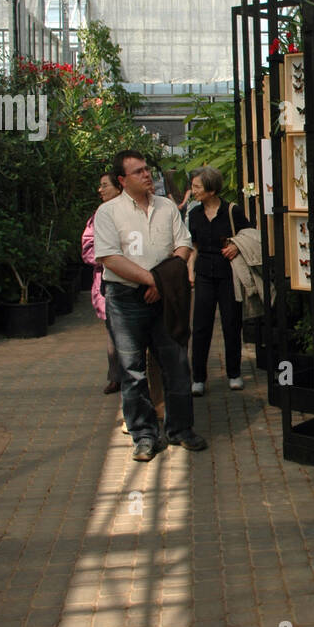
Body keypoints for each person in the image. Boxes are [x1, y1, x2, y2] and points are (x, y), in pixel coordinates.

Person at [94, 150, 208, 462]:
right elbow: (109, 258)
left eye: (147, 169)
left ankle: (180, 429)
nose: (147, 175)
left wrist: (160, 282)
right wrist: (153, 281)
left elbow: (183, 244)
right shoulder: (109, 213)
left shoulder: (166, 206)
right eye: (138, 172)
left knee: (176, 363)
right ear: (122, 180)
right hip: (125, 300)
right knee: (132, 370)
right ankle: (143, 435)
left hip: (164, 297)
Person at [187, 166, 252, 394]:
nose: (193, 191)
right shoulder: (194, 215)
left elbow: (249, 236)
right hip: (204, 273)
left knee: (231, 323)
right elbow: (193, 246)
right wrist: (190, 272)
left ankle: (234, 373)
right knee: (201, 326)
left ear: (212, 189)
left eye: (197, 186)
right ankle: (198, 378)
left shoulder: (232, 211)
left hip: (228, 274)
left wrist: (235, 246)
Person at [82, 172, 124, 394]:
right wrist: (110, 257)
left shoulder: (131, 211)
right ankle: (116, 377)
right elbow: (87, 249)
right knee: (112, 332)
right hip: (107, 282)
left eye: (104, 185)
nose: (100, 190)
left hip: (133, 282)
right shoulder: (98, 216)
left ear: (119, 187)